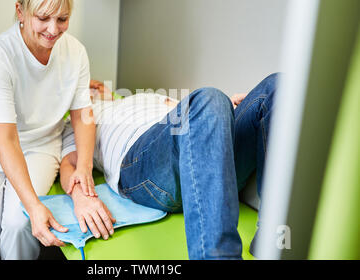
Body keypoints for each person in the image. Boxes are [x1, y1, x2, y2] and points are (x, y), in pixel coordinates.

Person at [0, 0, 97, 260]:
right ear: (21, 11)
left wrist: (83, 166)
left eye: (62, 19)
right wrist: (33, 205)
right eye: (43, 18)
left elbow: (83, 114)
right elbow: (6, 140)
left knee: (19, 225)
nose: (53, 29)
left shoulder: (76, 53)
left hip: (40, 146)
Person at [59, 74, 279, 259]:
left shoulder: (145, 97)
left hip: (203, 151)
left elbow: (196, 114)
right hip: (141, 162)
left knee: (275, 87)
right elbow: (68, 164)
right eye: (80, 95)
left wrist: (224, 112)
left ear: (102, 87)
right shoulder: (77, 121)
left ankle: (272, 238)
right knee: (210, 98)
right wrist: (81, 198)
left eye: (92, 88)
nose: (89, 94)